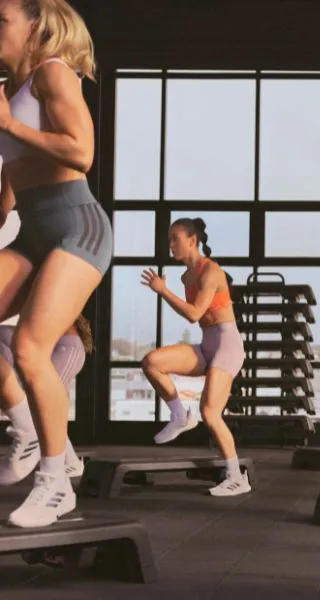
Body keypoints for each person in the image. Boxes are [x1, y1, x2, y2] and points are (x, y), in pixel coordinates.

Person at [0, 0, 112, 528]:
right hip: (35, 231)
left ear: (35, 28)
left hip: (77, 226)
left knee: (29, 347)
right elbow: (8, 193)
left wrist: (8, 125)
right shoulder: (9, 89)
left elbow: (81, 151)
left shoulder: (52, 73)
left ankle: (55, 482)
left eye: (1, 21)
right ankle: (29, 428)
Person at [141, 218, 250, 497]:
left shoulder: (211, 271)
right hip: (207, 344)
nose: (170, 245)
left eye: (175, 238)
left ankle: (237, 477)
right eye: (168, 239)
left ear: (192, 241)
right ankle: (179, 415)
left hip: (227, 344)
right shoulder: (185, 276)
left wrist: (162, 291)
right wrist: (166, 289)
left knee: (211, 412)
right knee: (152, 362)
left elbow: (194, 313)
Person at [0, 315, 92, 484]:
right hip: (48, 348)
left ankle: (68, 461)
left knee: (43, 408)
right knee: (44, 411)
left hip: (67, 348)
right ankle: (70, 462)